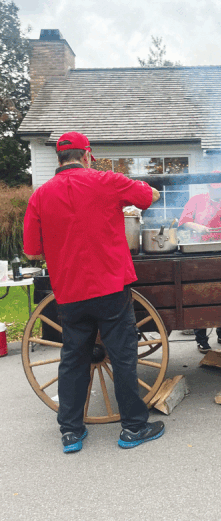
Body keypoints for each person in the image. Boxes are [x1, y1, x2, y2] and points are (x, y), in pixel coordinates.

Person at [23, 131, 165, 453]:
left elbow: (31, 251)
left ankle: (71, 433)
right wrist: (152, 192)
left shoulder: (40, 196)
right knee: (123, 357)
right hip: (110, 287)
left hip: (70, 292)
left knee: (73, 359)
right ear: (87, 154)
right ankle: (133, 428)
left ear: (59, 159)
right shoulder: (107, 180)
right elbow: (147, 197)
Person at [178, 179, 221, 353]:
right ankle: (201, 339)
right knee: (201, 295)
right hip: (199, 252)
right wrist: (197, 226)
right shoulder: (196, 201)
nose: (219, 192)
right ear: (208, 187)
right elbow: (183, 221)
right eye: (216, 188)